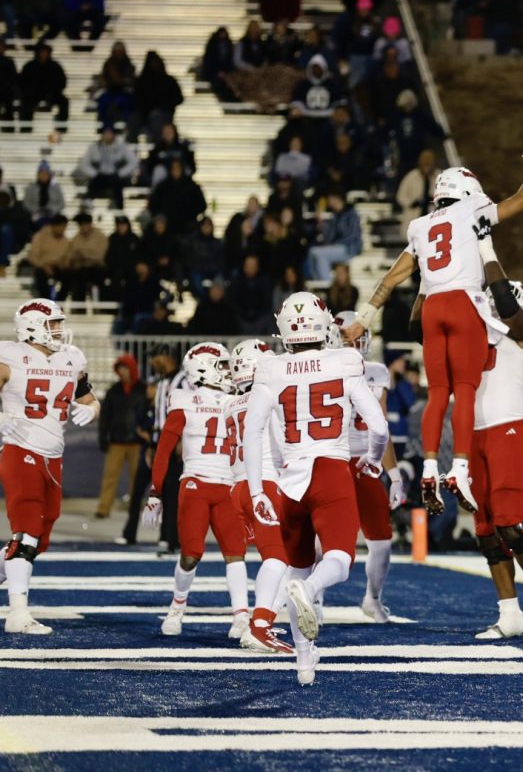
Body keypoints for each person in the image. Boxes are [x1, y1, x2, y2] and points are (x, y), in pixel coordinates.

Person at [342, 145, 523, 513]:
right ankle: (460, 469)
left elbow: (392, 279)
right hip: (464, 303)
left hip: (433, 306)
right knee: (464, 391)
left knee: (438, 392)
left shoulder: (420, 226)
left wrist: (363, 319)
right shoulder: (473, 209)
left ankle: (430, 468)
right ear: (468, 192)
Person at [242, 291, 389, 685]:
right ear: (324, 325)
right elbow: (378, 426)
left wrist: (257, 492)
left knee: (297, 566)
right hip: (330, 470)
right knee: (338, 560)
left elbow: (251, 432)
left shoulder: (270, 369)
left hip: (289, 481)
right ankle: (310, 590)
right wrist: (373, 460)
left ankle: (304, 663)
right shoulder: (344, 360)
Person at [462, 253, 523, 639]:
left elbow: (513, 318)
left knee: (510, 524)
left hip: (509, 431)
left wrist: (486, 255)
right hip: (475, 435)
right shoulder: (477, 332)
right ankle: (510, 614)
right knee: (485, 530)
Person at [0, 299, 99, 634]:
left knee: (39, 539)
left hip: (53, 457)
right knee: (26, 532)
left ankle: (7, 573)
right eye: (52, 323)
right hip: (19, 449)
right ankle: (17, 613)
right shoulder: (9, 354)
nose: (58, 329)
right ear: (31, 325)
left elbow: (86, 396)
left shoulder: (72, 358)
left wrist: (94, 409)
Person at [142, 342, 248, 640]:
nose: (229, 371)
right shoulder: (185, 399)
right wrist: (156, 491)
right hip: (196, 483)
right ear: (204, 368)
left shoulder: (238, 399)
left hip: (228, 485)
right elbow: (164, 448)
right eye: (223, 366)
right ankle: (177, 607)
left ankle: (241, 616)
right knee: (191, 553)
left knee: (236, 552)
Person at [328, 312, 406, 623]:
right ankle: (312, 597)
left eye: (359, 334)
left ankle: (372, 598)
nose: (356, 341)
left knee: (382, 541)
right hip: (331, 459)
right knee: (324, 541)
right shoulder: (322, 367)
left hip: (366, 462)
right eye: (349, 335)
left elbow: (381, 428)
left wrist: (395, 474)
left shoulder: (376, 372)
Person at [223, 339, 293, 653]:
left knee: (280, 556)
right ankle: (259, 625)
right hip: (264, 483)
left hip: (237, 487)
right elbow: (284, 439)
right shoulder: (268, 395)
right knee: (279, 556)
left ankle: (262, 617)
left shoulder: (229, 403)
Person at [95, 355, 146, 520]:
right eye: (120, 368)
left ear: (132, 369)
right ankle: (103, 508)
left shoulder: (142, 389)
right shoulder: (114, 390)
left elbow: (148, 414)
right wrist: (103, 437)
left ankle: (135, 508)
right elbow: (105, 417)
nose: (122, 371)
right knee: (109, 476)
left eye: (125, 368)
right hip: (116, 441)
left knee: (136, 478)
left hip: (137, 442)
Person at [147, 343, 187, 554]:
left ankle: (175, 539)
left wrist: (183, 439)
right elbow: (158, 416)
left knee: (175, 493)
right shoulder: (162, 382)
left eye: (155, 357)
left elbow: (188, 411)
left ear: (166, 356)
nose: (152, 361)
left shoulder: (183, 380)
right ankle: (167, 537)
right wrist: (152, 444)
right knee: (164, 492)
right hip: (162, 442)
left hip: (177, 442)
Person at [76, 125, 138, 209]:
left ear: (114, 135)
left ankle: (120, 208)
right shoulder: (94, 147)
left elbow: (133, 161)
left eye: (110, 133)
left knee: (117, 185)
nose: (107, 136)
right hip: (100, 175)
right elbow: (83, 164)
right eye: (106, 133)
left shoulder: (122, 146)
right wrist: (94, 174)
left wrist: (121, 173)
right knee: (94, 183)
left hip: (116, 176)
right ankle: (88, 202)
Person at [308, 191, 362, 282]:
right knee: (312, 252)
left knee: (320, 254)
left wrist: (336, 244)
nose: (329, 202)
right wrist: (321, 224)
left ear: (337, 198)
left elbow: (353, 235)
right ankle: (320, 282)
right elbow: (328, 238)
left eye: (330, 199)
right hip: (336, 247)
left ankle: (327, 284)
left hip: (349, 248)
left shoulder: (352, 213)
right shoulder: (335, 216)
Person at [132, 51, 183, 141]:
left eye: (156, 62)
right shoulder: (141, 82)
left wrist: (164, 105)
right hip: (144, 115)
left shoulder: (169, 81)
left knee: (155, 117)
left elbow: (179, 98)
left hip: (164, 114)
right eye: (152, 62)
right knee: (133, 118)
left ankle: (159, 147)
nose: (154, 65)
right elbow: (136, 100)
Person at [148, 160, 207, 235]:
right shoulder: (162, 187)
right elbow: (153, 205)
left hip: (188, 225)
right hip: (167, 227)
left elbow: (202, 205)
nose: (176, 171)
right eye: (173, 168)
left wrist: (191, 214)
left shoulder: (192, 186)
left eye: (178, 168)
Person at [18, 42, 67, 129]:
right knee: (25, 102)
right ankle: (25, 128)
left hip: (52, 94)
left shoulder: (55, 66)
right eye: (42, 52)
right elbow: (22, 82)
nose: (44, 54)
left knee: (64, 101)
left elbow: (62, 81)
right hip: (33, 94)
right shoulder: (29, 66)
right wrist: (29, 91)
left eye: (46, 52)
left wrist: (54, 92)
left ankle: (61, 128)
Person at [64, 212, 107, 301]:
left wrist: (84, 255)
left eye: (83, 224)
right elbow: (71, 255)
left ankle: (99, 305)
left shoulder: (100, 236)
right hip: (81, 269)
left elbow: (100, 256)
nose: (81, 227)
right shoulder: (76, 238)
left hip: (97, 268)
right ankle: (79, 308)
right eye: (80, 224)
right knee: (75, 278)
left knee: (96, 275)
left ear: (89, 224)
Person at [394, 148, 440, 230]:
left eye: (429, 165)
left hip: (434, 215)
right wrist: (411, 203)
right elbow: (401, 196)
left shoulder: (441, 177)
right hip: (414, 215)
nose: (427, 169)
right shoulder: (411, 177)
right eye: (425, 165)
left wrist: (435, 200)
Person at [26, 213, 69, 298]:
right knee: (40, 277)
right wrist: (44, 266)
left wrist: (63, 264)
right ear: (54, 226)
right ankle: (45, 302)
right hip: (41, 266)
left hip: (58, 267)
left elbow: (67, 258)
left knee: (69, 277)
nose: (63, 229)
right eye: (61, 226)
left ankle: (60, 303)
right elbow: (32, 256)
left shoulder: (66, 241)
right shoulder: (40, 236)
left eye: (64, 227)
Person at [230, 255, 275, 334]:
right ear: (244, 266)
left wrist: (255, 314)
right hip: (241, 317)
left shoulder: (265, 281)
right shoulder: (237, 281)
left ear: (257, 267)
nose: (251, 268)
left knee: (269, 317)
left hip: (260, 318)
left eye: (253, 265)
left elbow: (267, 302)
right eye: (248, 265)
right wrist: (245, 313)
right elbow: (234, 302)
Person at [95, 41, 136, 126]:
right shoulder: (108, 64)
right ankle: (104, 129)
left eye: (120, 51)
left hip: (124, 93)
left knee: (123, 102)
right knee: (103, 101)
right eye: (117, 51)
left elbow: (129, 81)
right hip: (110, 92)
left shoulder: (129, 65)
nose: (118, 53)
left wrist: (120, 81)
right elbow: (104, 80)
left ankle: (127, 127)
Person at [181, 216, 224, 295]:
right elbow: (188, 258)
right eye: (204, 225)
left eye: (209, 225)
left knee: (220, 279)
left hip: (213, 270)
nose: (207, 228)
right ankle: (204, 301)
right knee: (195, 280)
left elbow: (220, 260)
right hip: (197, 269)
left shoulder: (217, 243)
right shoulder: (192, 241)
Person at [22, 160, 64, 227]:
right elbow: (26, 203)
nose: (43, 175)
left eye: (46, 173)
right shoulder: (31, 187)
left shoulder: (56, 187)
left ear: (49, 175)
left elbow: (61, 204)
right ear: (38, 175)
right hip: (35, 216)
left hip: (52, 215)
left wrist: (51, 210)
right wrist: (37, 210)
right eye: (41, 173)